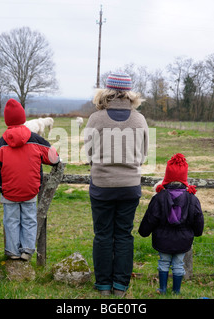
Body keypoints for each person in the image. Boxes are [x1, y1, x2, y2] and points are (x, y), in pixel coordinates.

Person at [84, 72, 149, 296]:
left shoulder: (96, 118)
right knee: (123, 234)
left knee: (102, 234)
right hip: (130, 185)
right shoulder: (139, 119)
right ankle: (120, 286)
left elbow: (89, 152)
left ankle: (103, 285)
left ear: (106, 92)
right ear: (130, 93)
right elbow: (144, 154)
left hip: (102, 184)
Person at [0, 98, 60, 261]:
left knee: (11, 221)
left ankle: (12, 251)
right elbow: (53, 157)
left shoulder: (2, 142)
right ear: (23, 118)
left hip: (9, 191)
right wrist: (55, 159)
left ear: (6, 120)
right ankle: (27, 250)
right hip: (30, 189)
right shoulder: (35, 139)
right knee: (29, 219)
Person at [139, 153, 204, 295]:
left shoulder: (159, 197)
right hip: (183, 238)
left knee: (163, 262)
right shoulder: (192, 199)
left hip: (162, 238)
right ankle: (176, 291)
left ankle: (162, 289)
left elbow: (151, 217)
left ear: (167, 178)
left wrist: (143, 231)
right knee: (179, 264)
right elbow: (198, 218)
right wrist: (197, 231)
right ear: (184, 179)